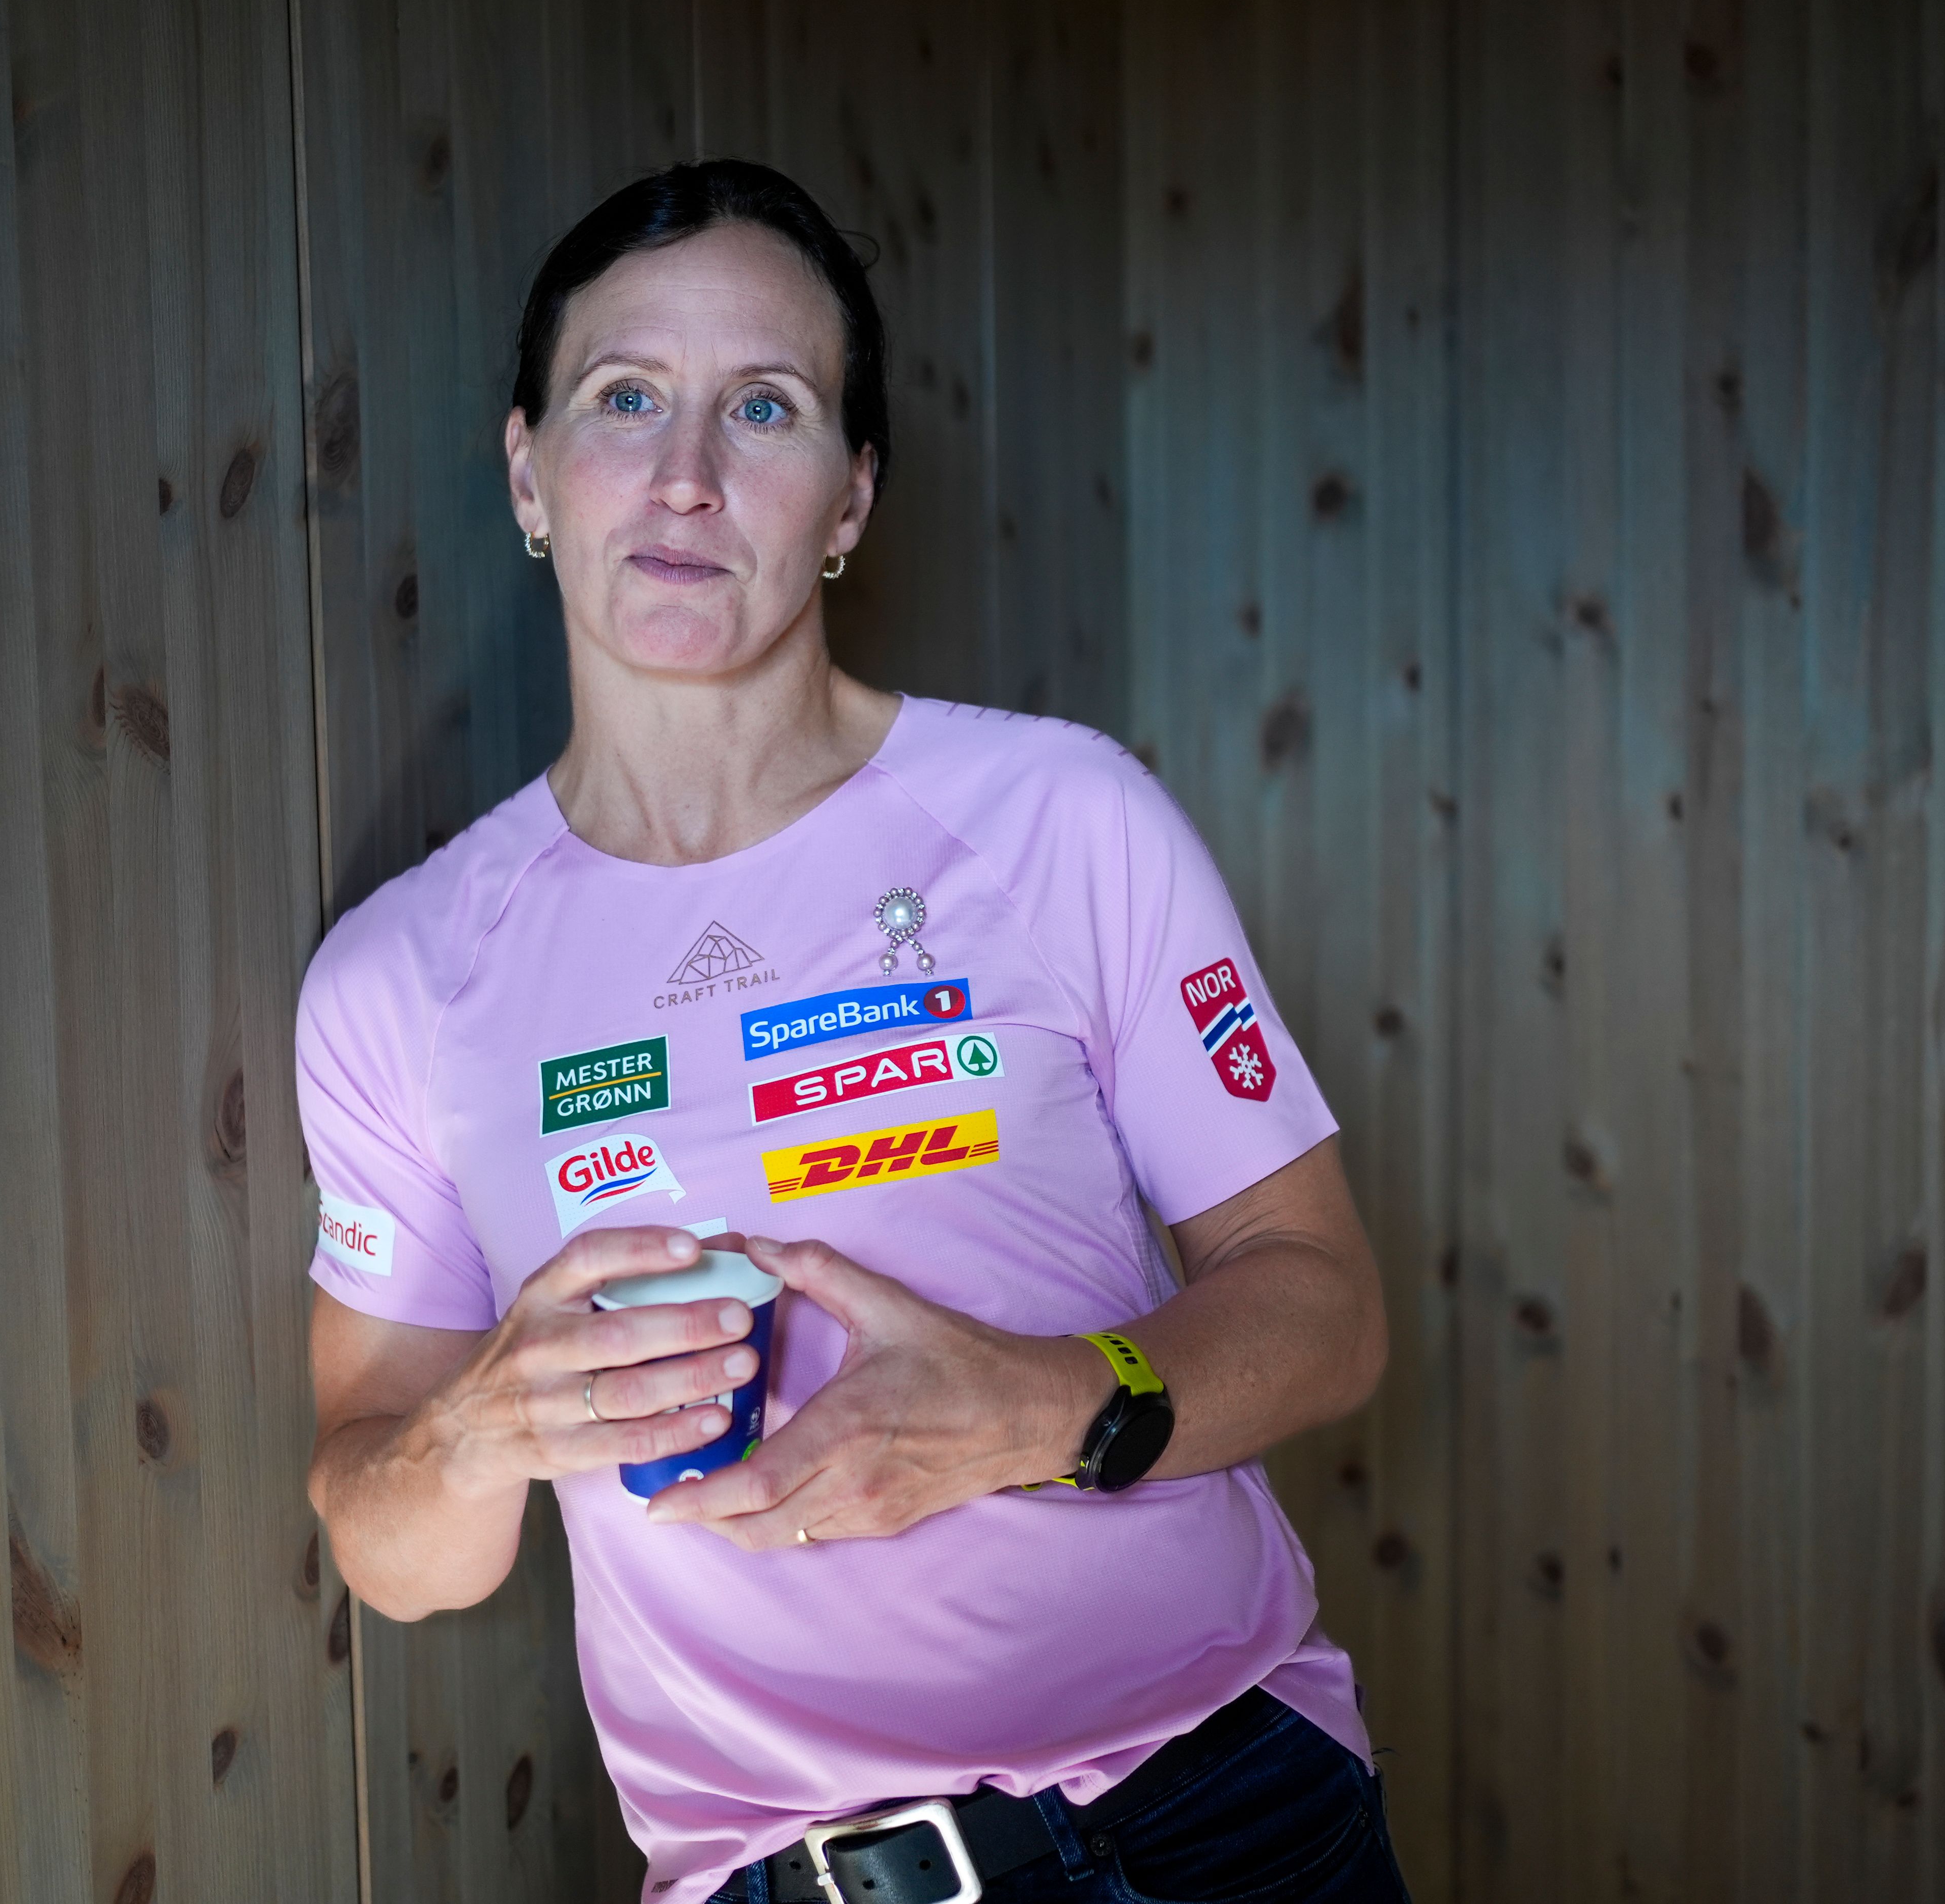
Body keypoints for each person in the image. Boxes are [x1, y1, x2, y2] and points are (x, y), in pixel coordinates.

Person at [297, 160, 1407, 1903]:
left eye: (765, 407)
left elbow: (1324, 1307)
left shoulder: (1064, 821)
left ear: (849, 499)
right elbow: (396, 1547)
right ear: (528, 471)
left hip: (1220, 1820)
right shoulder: (399, 979)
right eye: (625, 398)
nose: (685, 472)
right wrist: (475, 1430)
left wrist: (1044, 1407)